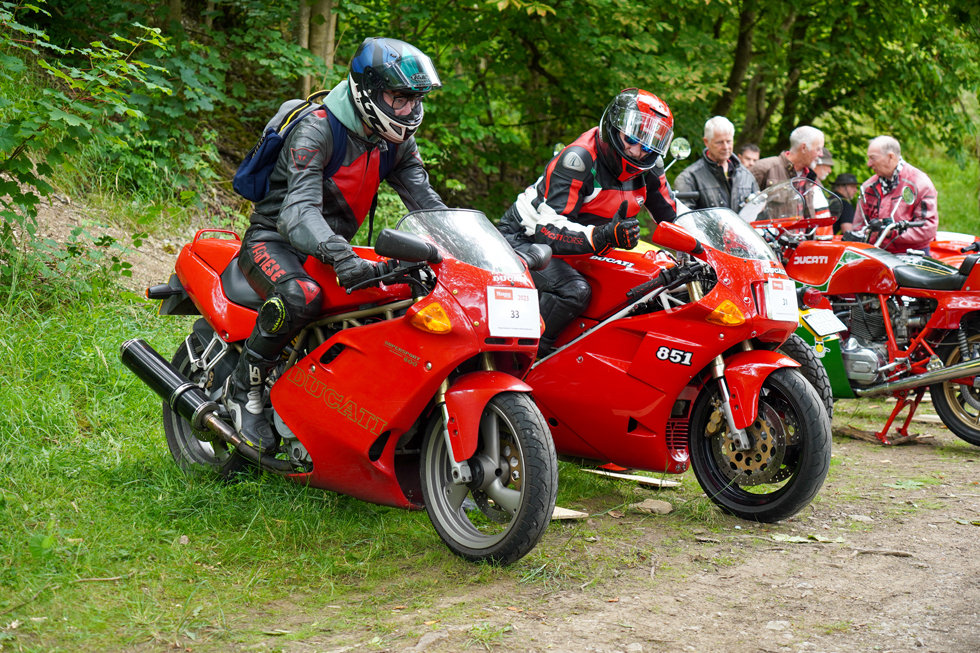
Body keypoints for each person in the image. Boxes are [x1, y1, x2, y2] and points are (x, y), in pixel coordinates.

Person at [225, 37, 446, 452]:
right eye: (399, 98)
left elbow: (428, 205)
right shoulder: (318, 128)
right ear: (366, 90)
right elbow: (298, 212)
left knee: (395, 301)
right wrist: (342, 255)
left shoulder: (395, 142)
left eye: (414, 100)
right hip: (274, 240)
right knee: (299, 295)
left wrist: (464, 250)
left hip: (328, 247)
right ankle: (244, 390)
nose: (409, 111)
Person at [498, 88, 677, 357]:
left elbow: (674, 219)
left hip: (585, 243)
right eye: (631, 138)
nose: (639, 150)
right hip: (524, 237)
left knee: (649, 282)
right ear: (613, 127)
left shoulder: (651, 167)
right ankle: (523, 360)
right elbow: (547, 231)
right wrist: (606, 235)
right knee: (574, 291)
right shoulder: (579, 159)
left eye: (649, 144)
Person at [852, 135, 937, 254]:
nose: (869, 164)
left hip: (912, 256)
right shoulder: (868, 187)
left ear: (890, 157)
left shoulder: (920, 183)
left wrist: (891, 232)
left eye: (873, 158)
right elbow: (858, 227)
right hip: (875, 254)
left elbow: (928, 227)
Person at [673, 116, 759, 211]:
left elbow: (761, 217)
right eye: (719, 142)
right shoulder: (689, 178)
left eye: (729, 141)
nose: (726, 147)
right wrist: (714, 223)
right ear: (706, 142)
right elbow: (684, 219)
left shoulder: (746, 175)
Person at [751, 126, 825, 191]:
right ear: (803, 148)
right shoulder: (764, 168)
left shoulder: (811, 177)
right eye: (818, 149)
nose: (821, 154)